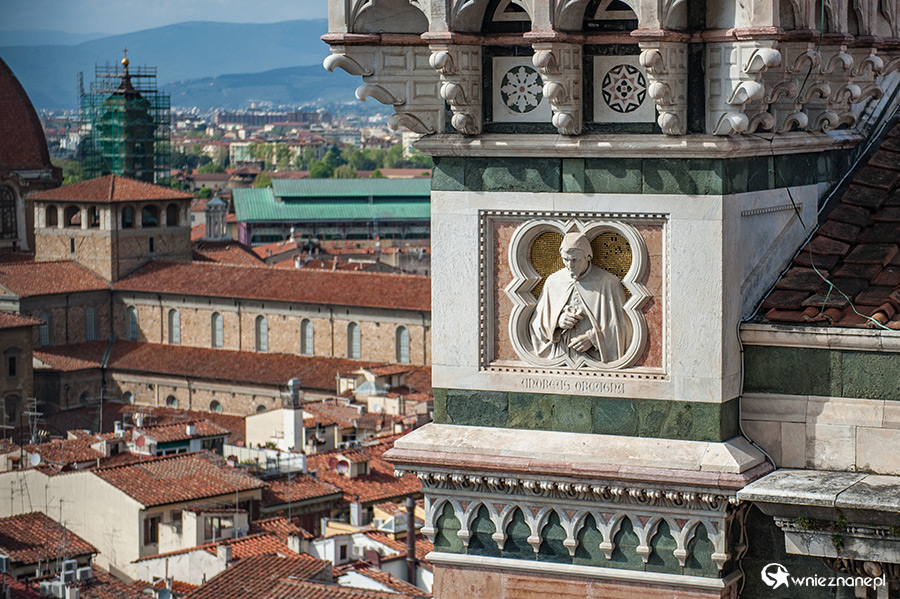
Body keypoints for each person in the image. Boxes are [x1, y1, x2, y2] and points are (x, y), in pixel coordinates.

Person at [529, 232, 628, 363]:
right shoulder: (553, 281)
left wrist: (593, 338)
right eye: (565, 259)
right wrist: (557, 322)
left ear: (588, 256)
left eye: (575, 260)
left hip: (596, 360)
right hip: (560, 356)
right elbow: (537, 324)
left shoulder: (608, 283)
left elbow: (623, 326)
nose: (570, 265)